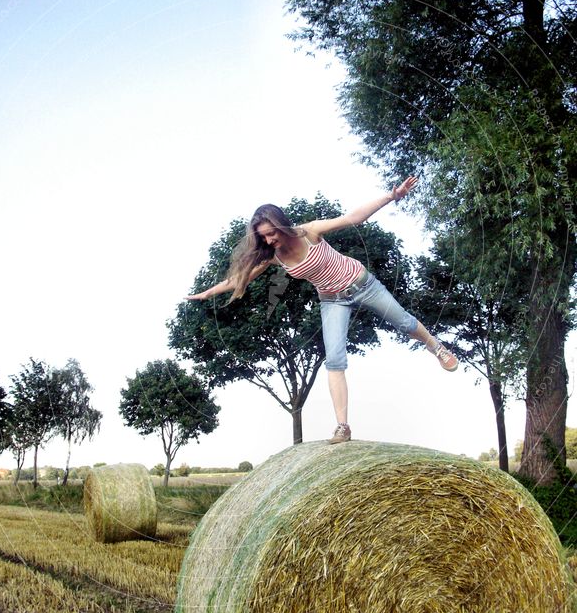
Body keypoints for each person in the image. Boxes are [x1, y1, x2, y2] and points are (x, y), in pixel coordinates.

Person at [186, 178, 457, 444]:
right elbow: (240, 278)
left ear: (281, 224)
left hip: (362, 284)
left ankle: (436, 347)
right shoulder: (273, 256)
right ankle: (342, 426)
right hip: (332, 300)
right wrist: (209, 292)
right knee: (335, 360)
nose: (269, 240)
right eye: (264, 237)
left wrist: (391, 196)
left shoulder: (310, 231)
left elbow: (354, 217)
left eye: (272, 233)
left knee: (405, 323)